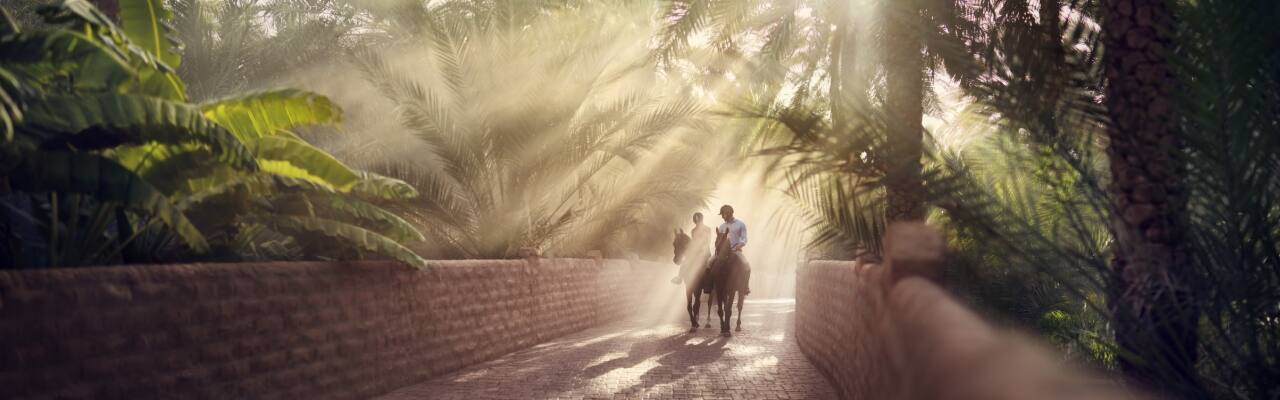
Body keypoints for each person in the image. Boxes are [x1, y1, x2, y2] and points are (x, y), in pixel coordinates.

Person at [717, 205, 750, 295]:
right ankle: (710, 285)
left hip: (735, 250)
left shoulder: (740, 224)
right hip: (722, 252)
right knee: (709, 262)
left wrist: (740, 245)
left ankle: (745, 287)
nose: (723, 217)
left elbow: (744, 238)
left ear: (729, 213)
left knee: (746, 266)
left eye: (723, 215)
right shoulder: (721, 227)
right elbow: (719, 239)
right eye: (722, 215)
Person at [673, 213, 713, 285]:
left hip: (705, 252)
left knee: (709, 265)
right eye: (695, 221)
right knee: (685, 262)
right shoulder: (693, 230)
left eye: (698, 220)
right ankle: (679, 278)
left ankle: (710, 282)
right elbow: (693, 242)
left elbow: (708, 241)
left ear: (701, 220)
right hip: (695, 252)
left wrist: (701, 249)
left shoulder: (708, 229)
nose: (696, 222)